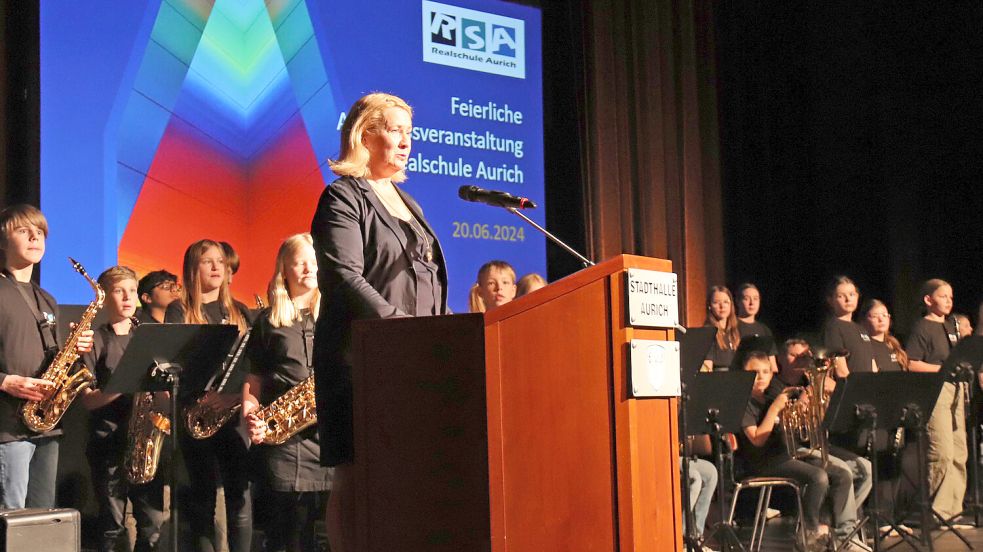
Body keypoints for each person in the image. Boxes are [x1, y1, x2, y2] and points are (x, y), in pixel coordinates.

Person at [310, 92, 450, 552]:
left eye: (409, 133)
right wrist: (399, 327)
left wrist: (446, 332)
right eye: (394, 130)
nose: (406, 141)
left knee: (409, 475)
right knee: (355, 476)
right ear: (363, 133)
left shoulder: (409, 202)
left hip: (415, 359)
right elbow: (343, 275)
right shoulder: (343, 196)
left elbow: (425, 278)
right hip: (361, 359)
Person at [0, 204, 93, 509]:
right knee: (10, 518)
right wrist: (5, 381)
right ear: (3, 240)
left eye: (40, 232)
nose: (34, 237)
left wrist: (76, 348)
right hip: (7, 426)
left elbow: (56, 360)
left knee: (40, 518)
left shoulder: (47, 298)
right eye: (23, 230)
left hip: (45, 423)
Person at [243, 234, 331, 552]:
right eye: (300, 261)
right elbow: (254, 380)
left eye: (314, 260)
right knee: (290, 535)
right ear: (285, 270)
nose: (309, 267)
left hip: (331, 437)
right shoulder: (267, 322)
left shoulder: (337, 316)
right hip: (285, 443)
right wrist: (250, 415)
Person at [165, 239, 253, 552]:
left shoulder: (240, 311)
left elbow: (250, 365)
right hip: (196, 416)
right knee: (202, 501)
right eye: (207, 262)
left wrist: (232, 399)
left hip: (232, 416)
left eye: (220, 261)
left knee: (239, 498)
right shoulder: (180, 310)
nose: (217, 267)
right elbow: (175, 362)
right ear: (192, 269)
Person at [80, 266, 166, 552]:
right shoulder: (94, 340)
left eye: (132, 290)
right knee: (112, 526)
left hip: (145, 444)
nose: (128, 297)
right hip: (109, 444)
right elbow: (87, 399)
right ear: (104, 298)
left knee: (152, 526)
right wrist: (124, 381)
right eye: (119, 291)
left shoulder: (149, 336)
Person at [737, 351, 850, 550]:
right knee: (818, 477)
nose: (761, 376)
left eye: (765, 371)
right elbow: (757, 440)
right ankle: (808, 532)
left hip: (785, 454)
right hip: (762, 462)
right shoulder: (743, 403)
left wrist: (805, 410)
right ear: (743, 373)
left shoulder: (772, 395)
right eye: (754, 372)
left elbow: (793, 429)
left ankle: (826, 528)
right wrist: (775, 409)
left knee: (842, 475)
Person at [775, 339, 872, 547]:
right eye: (794, 356)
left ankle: (832, 525)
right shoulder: (775, 386)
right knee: (843, 471)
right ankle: (846, 536)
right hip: (793, 448)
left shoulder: (808, 382)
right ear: (781, 358)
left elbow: (834, 421)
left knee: (866, 470)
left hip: (817, 444)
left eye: (805, 357)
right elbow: (783, 426)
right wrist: (807, 395)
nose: (801, 361)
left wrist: (833, 395)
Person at [906, 278, 968, 527]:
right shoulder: (923, 327)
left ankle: (952, 510)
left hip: (956, 388)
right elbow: (911, 362)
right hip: (936, 390)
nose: (949, 301)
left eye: (951, 297)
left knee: (959, 451)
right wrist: (942, 370)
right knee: (941, 451)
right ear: (928, 300)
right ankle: (932, 510)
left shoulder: (951, 326)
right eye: (943, 296)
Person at [821, 276, 876, 377]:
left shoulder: (861, 329)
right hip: (852, 389)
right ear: (830, 300)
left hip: (868, 387)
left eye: (852, 294)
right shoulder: (833, 328)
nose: (848, 299)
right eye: (841, 296)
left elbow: (872, 363)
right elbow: (841, 371)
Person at [735, 283, 778, 372]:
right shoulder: (731, 326)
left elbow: (772, 364)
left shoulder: (764, 330)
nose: (752, 303)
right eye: (746, 299)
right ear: (738, 301)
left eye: (755, 299)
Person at [860, 299, 907, 372]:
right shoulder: (864, 346)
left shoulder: (893, 344)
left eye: (884, 315)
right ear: (864, 320)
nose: (881, 319)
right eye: (875, 316)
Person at [701, 285, 740, 371]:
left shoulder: (736, 330)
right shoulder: (707, 332)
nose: (722, 306)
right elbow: (707, 368)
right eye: (716, 302)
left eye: (726, 302)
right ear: (709, 306)